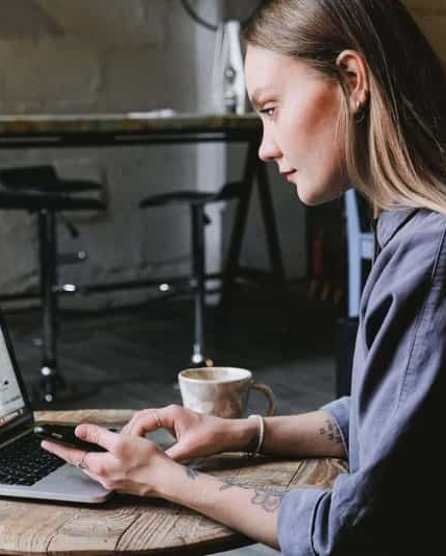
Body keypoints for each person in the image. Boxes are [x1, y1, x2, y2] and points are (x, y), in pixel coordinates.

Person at [42, 0, 446, 553]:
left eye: (273, 108)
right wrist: (243, 433)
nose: (265, 145)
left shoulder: (432, 256)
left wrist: (163, 479)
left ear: (353, 80)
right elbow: (396, 424)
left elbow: (355, 531)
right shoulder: (411, 231)